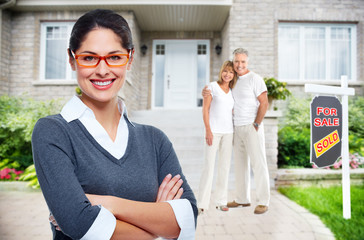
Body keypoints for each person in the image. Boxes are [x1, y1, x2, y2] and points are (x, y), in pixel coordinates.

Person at [32, 9, 197, 239]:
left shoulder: (155, 140)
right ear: (72, 60)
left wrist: (105, 204)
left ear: (129, 59)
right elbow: (81, 224)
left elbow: (188, 219)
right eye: (89, 58)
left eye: (115, 57)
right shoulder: (53, 132)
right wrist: (158, 223)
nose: (102, 70)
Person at [203, 48, 270, 214]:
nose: (239, 65)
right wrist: (206, 92)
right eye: (237, 61)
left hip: (252, 127)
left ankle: (263, 200)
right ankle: (242, 199)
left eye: (243, 62)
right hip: (236, 128)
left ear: (247, 62)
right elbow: (221, 94)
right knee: (240, 165)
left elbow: (264, 103)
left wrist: (257, 124)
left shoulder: (255, 79)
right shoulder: (233, 81)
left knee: (258, 163)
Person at [197, 61, 237, 213]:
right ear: (221, 71)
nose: (228, 74)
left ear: (234, 76)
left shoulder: (233, 91)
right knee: (208, 167)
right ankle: (202, 203)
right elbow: (205, 110)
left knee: (224, 168)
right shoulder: (211, 87)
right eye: (226, 71)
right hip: (213, 132)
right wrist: (208, 130)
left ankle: (221, 201)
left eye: (231, 72)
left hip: (228, 132)